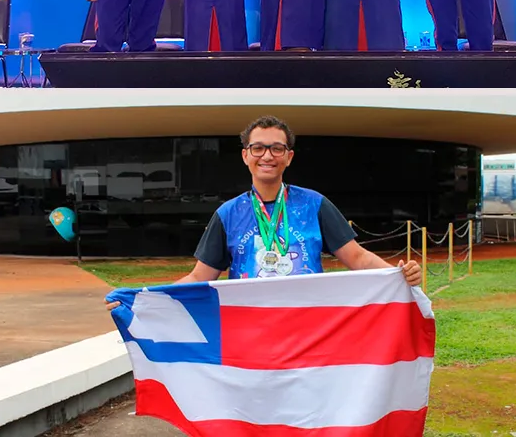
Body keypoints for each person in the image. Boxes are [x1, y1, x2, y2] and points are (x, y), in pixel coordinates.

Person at [108, 115, 421, 311]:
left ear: (289, 157)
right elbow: (199, 277)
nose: (267, 156)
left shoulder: (314, 205)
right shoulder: (228, 214)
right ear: (246, 156)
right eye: (258, 148)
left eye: (277, 148)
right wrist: (144, 299)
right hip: (249, 329)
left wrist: (399, 276)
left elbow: (358, 258)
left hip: (309, 327)